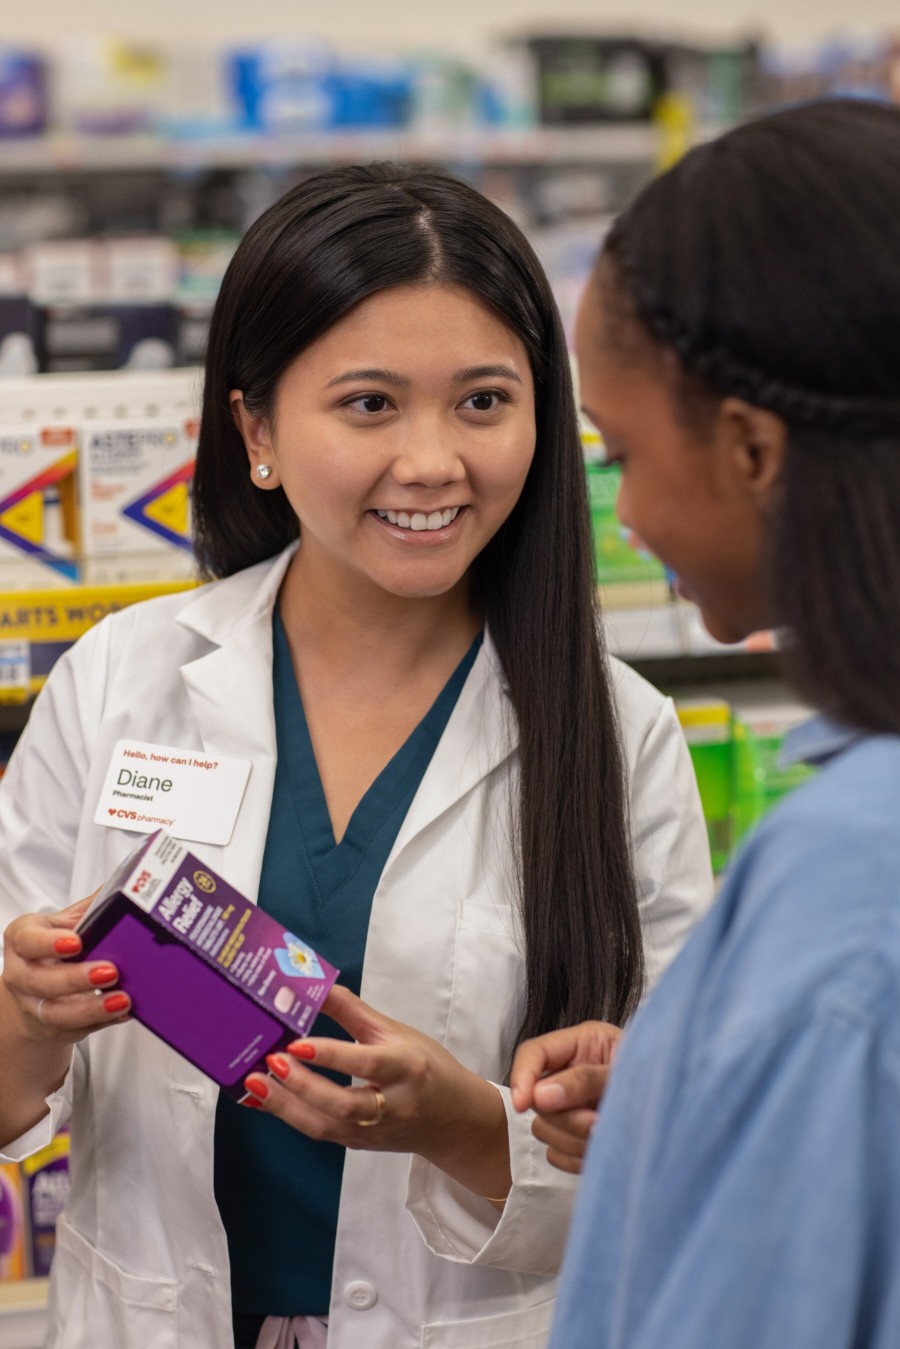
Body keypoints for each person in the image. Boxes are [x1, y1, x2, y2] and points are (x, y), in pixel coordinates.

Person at [0, 164, 712, 1349]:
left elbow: (677, 1145)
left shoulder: (617, 732)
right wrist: (29, 1016)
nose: (433, 462)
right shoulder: (123, 675)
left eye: (484, 401)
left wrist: (461, 1123)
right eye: (370, 404)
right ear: (257, 429)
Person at [510, 98, 900, 1348]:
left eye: (619, 453)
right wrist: (698, 1089)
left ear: (750, 448)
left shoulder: (849, 871)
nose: (619, 515)